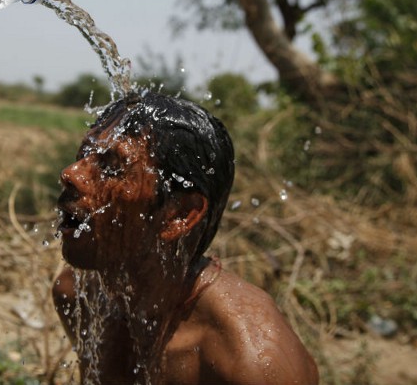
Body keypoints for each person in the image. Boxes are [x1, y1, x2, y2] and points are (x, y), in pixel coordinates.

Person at [53, 91, 318, 384]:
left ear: (179, 215)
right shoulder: (79, 294)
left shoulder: (252, 361)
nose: (71, 174)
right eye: (84, 155)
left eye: (113, 166)